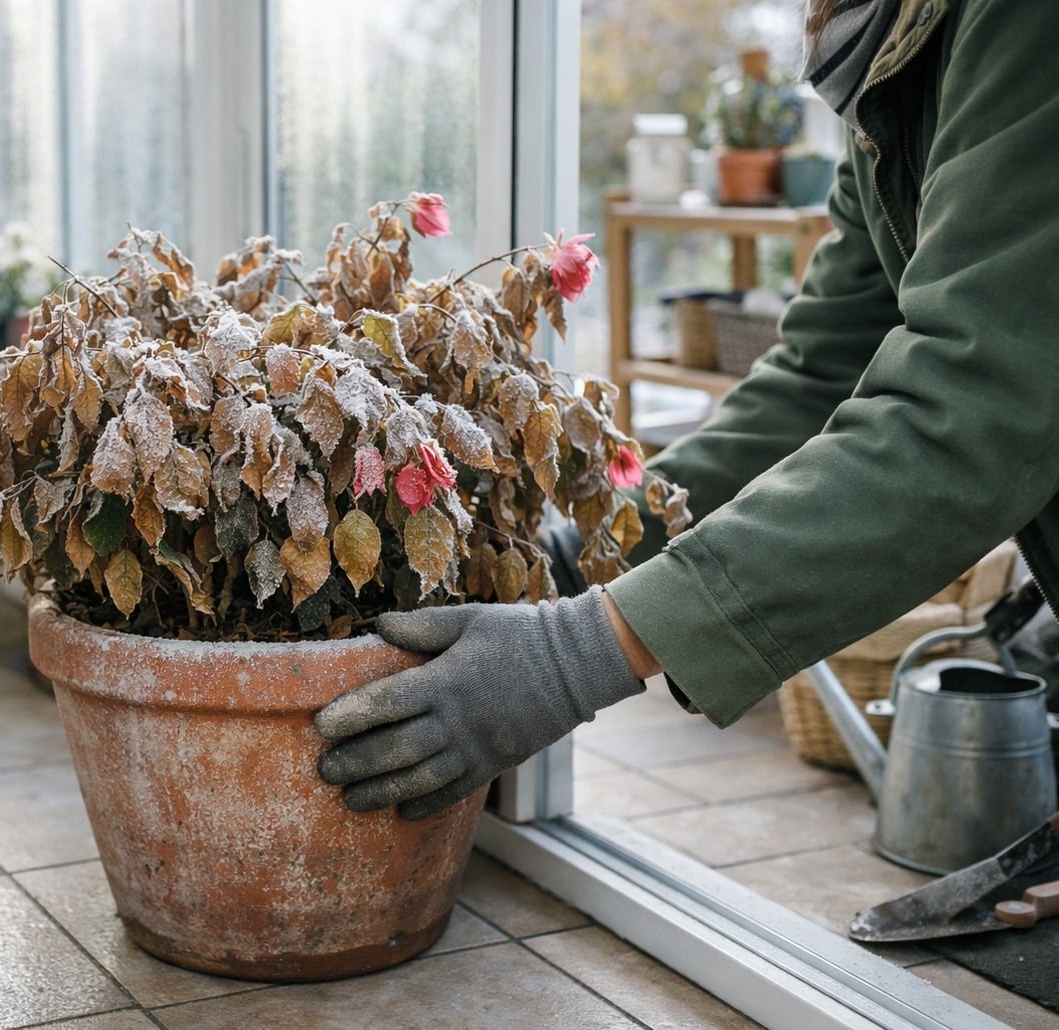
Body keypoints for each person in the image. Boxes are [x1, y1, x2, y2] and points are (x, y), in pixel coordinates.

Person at [315, 0, 1059, 820]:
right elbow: (819, 378)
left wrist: (578, 653)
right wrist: (580, 556)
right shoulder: (890, 58)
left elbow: (972, 406)